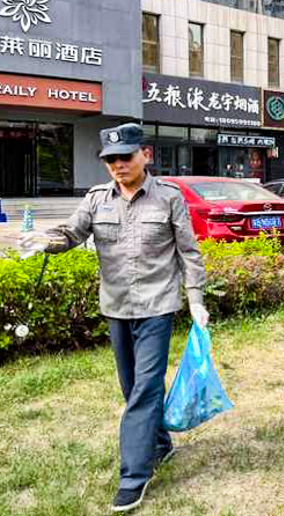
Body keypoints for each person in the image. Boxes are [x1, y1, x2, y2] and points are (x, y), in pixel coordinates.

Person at [18, 123, 208, 513]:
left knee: (144, 389)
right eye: (111, 160)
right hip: (117, 308)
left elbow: (188, 253)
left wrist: (196, 300)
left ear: (145, 155)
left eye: (126, 157)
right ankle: (160, 443)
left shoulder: (168, 198)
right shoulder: (95, 199)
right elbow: (71, 233)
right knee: (131, 387)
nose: (118, 165)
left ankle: (133, 477)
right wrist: (46, 241)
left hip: (158, 306)